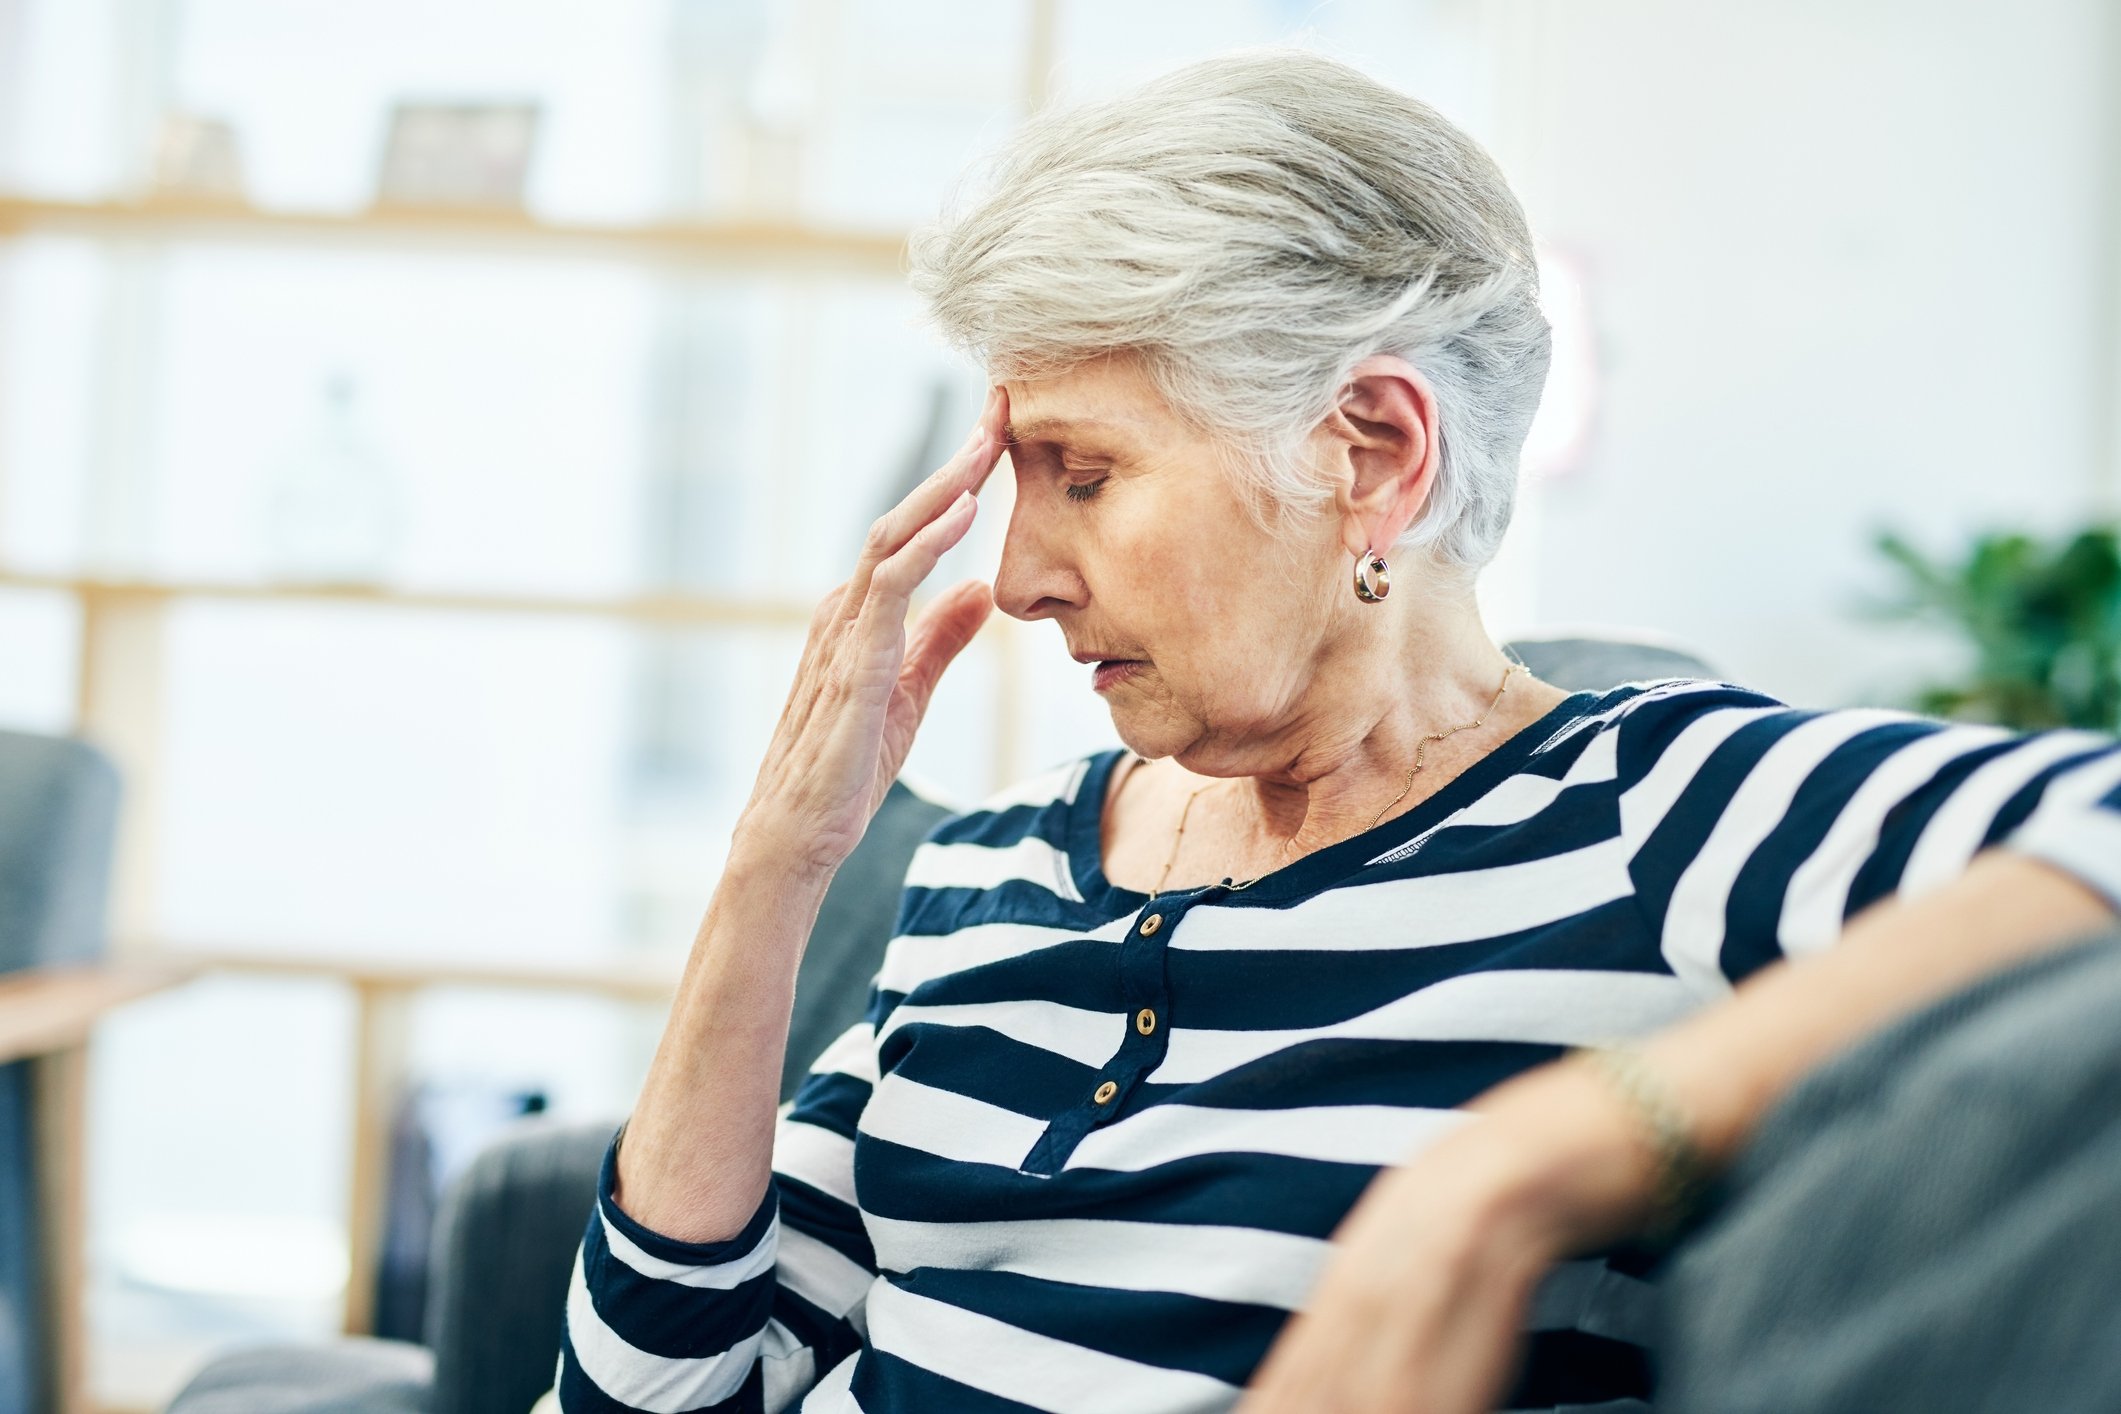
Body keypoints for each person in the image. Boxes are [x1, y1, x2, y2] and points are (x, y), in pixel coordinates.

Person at [554, 50, 2121, 1414]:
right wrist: (776, 867)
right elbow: (663, 1395)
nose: (1018, 575)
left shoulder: (1651, 815)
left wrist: (1525, 1164)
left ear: (1370, 452)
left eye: (1083, 474)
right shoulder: (990, 871)